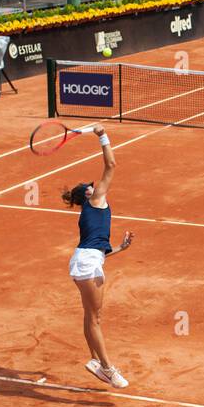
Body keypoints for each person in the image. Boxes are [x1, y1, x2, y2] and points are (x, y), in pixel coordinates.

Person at [60, 125, 133, 390]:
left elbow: (96, 247)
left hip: (87, 260)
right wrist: (102, 135)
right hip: (86, 263)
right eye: (91, 187)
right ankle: (107, 368)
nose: (97, 185)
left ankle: (94, 361)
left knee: (90, 314)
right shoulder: (95, 200)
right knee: (95, 318)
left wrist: (120, 249)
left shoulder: (92, 208)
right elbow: (111, 164)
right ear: (87, 195)